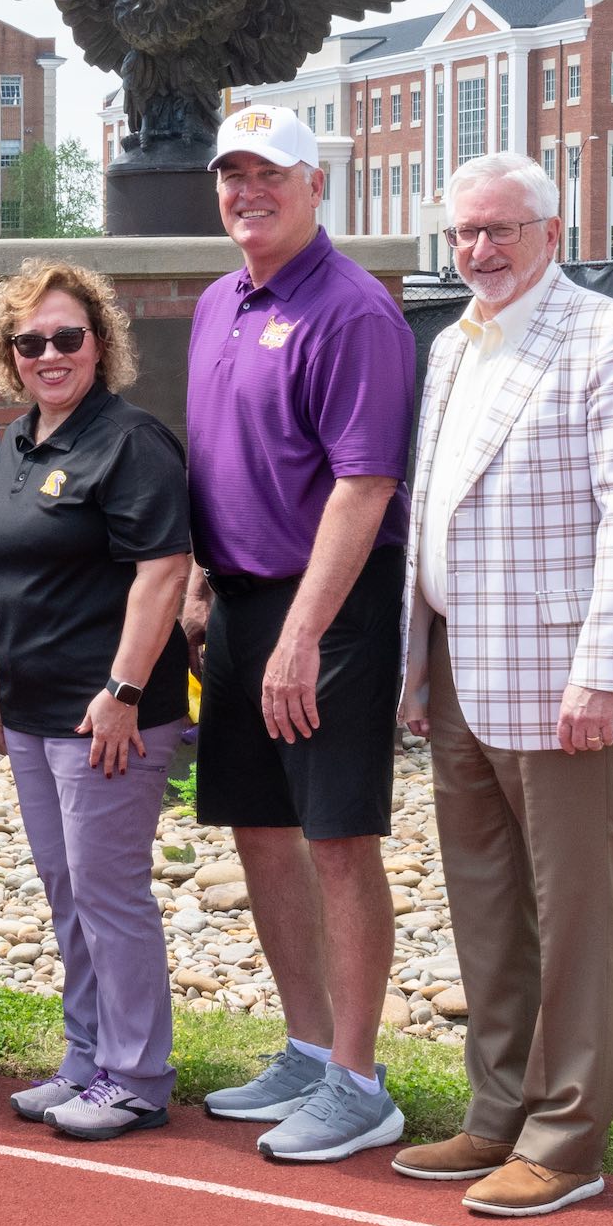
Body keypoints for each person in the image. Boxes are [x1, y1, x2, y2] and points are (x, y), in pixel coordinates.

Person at [389, 152, 613, 1217]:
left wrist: (602, 671)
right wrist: (416, 667)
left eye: (500, 230)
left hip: (565, 685)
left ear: (551, 232)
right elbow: (430, 518)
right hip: (465, 673)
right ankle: (496, 1111)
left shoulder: (610, 338)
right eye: (464, 233)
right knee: (484, 906)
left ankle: (565, 1138)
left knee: (572, 916)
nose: (479, 250)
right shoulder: (454, 349)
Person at [184, 104, 417, 1163]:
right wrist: (199, 582)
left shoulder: (353, 311)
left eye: (269, 174)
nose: (247, 192)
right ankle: (307, 1046)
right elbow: (218, 462)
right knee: (261, 832)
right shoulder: (217, 302)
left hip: (328, 610)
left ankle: (360, 1080)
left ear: (314, 183)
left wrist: (301, 635)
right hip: (236, 604)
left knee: (335, 839)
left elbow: (364, 486)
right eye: (232, 175)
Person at [0, 261, 196, 1141]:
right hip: (30, 709)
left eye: (69, 336)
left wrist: (123, 690)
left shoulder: (130, 441)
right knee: (67, 891)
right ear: (10, 353)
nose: (50, 354)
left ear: (101, 342)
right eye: (32, 341)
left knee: (109, 891)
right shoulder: (13, 441)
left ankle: (137, 1075)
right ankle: (86, 1055)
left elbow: (163, 570)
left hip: (108, 710)